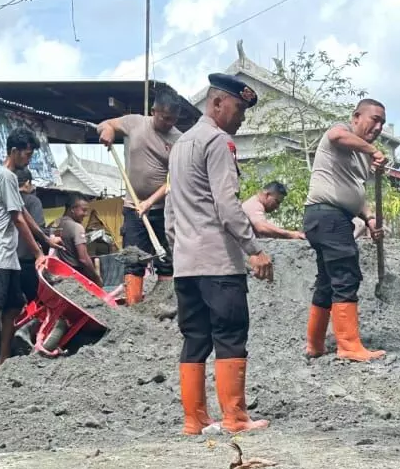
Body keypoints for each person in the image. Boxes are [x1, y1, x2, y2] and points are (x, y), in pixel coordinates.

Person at [166, 73, 274, 435]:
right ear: (217, 103)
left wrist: (179, 247)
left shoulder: (180, 145)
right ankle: (235, 417)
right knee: (230, 335)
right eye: (239, 108)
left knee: (194, 337)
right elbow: (228, 206)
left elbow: (169, 212)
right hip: (218, 263)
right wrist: (254, 250)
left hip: (185, 265)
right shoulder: (218, 142)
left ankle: (193, 419)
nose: (242, 117)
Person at [302, 99, 389, 360]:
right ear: (356, 117)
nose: (378, 126)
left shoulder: (360, 157)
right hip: (328, 215)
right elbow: (336, 136)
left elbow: (355, 194)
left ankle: (315, 344)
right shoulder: (341, 131)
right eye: (375, 119)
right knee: (346, 275)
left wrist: (371, 219)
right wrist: (372, 149)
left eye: (382, 122)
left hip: (326, 218)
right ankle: (349, 347)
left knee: (327, 281)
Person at [0, 128, 61, 375]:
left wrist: (46, 240)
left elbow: (23, 213)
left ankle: (3, 360)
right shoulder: (5, 176)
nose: (28, 160)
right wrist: (37, 253)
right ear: (14, 151)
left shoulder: (9, 178)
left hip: (7, 251)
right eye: (26, 154)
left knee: (13, 306)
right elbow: (18, 219)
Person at [98, 92, 183, 305]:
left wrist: (150, 202)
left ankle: (165, 306)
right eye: (164, 117)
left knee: (166, 260)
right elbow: (104, 124)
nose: (168, 123)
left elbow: (174, 179)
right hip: (133, 208)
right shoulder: (135, 122)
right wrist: (107, 131)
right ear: (154, 111)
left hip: (164, 209)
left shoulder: (179, 140)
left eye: (172, 119)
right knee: (133, 259)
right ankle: (134, 308)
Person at [15, 167, 50, 304]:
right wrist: (49, 240)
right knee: (35, 304)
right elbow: (38, 230)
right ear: (27, 182)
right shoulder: (32, 201)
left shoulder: (4, 200)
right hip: (27, 263)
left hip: (7, 263)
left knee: (11, 308)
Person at [54, 194, 102, 284]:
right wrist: (96, 277)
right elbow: (83, 258)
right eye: (83, 210)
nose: (86, 214)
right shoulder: (77, 227)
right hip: (76, 275)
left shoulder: (57, 224)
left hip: (61, 274)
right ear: (72, 209)